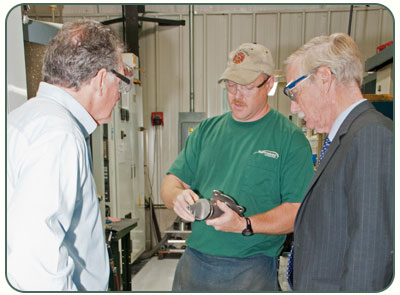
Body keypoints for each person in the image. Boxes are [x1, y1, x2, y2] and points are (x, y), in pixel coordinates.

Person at [160, 43, 314, 291]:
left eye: (246, 86)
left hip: (251, 267)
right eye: (231, 85)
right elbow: (171, 182)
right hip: (193, 262)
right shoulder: (205, 131)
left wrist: (245, 224)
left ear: (270, 84)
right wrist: (176, 196)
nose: (236, 95)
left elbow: (298, 211)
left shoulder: (289, 139)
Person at [7, 20, 131, 291]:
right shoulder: (59, 135)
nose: (119, 95)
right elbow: (34, 256)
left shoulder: (24, 118)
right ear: (100, 80)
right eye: (120, 82)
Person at [284, 33, 393, 292]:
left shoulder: (370, 136)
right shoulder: (344, 138)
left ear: (324, 78)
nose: (293, 107)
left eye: (294, 91)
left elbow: (370, 253)